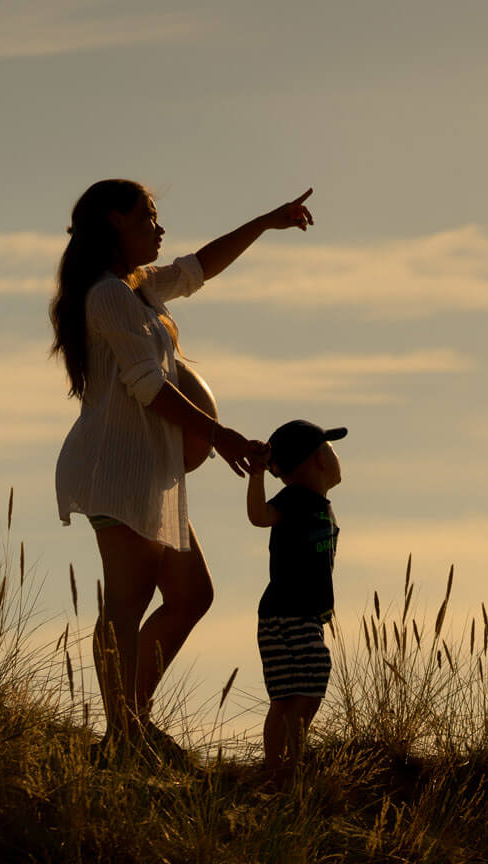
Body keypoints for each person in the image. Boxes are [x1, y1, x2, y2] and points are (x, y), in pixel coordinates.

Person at [51, 178, 314, 761]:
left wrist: (265, 221)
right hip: (118, 467)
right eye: (149, 215)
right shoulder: (107, 295)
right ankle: (122, 734)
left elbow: (197, 269)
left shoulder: (137, 288)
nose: (159, 227)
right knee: (128, 598)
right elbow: (147, 386)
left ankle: (129, 725)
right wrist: (217, 434)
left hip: (151, 469)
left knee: (191, 594)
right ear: (116, 220)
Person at [246, 419, 346, 781]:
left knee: (288, 694)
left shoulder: (318, 503)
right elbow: (259, 516)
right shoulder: (295, 499)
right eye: (331, 449)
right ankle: (287, 766)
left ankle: (282, 769)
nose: (336, 457)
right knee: (307, 682)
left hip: (294, 613)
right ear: (318, 459)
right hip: (289, 612)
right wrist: (256, 473)